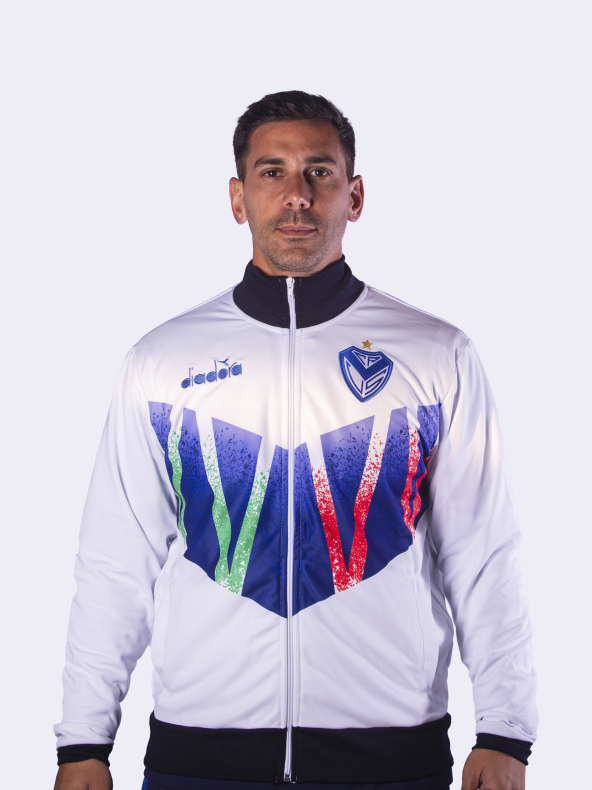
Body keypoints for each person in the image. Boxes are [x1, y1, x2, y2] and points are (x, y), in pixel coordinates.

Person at [53, 91, 537, 790]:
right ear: (238, 198)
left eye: (319, 172)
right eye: (272, 172)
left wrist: (505, 730)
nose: (297, 195)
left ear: (355, 195)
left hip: (391, 759)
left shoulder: (436, 356)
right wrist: (83, 742)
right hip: (200, 758)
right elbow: (115, 561)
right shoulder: (161, 363)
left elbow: (483, 552)